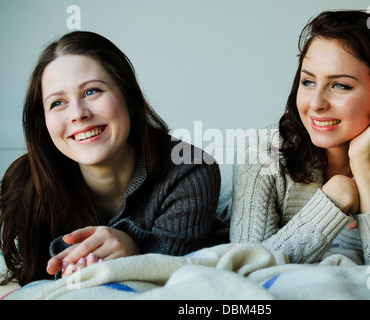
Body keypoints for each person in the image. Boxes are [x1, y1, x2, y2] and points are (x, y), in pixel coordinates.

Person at [0, 31, 221, 286]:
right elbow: (34, 273)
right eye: (57, 103)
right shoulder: (23, 185)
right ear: (44, 122)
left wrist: (133, 249)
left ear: (128, 96)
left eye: (92, 91)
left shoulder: (190, 169)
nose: (78, 114)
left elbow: (177, 268)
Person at [230, 10, 370, 265]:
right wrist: (336, 197)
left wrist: (362, 167)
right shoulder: (261, 153)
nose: (316, 103)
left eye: (340, 85)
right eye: (308, 82)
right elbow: (244, 266)